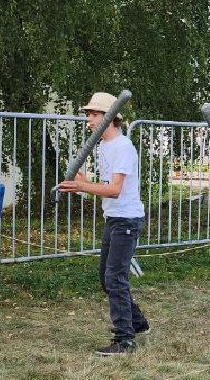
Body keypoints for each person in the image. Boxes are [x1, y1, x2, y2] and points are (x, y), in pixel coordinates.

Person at [57, 92, 148, 356]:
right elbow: (103, 187)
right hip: (114, 218)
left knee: (115, 278)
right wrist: (82, 182)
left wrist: (82, 186)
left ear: (110, 117)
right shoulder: (104, 147)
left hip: (127, 219)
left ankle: (124, 340)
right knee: (106, 278)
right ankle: (138, 323)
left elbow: (115, 190)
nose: (89, 119)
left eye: (95, 114)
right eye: (89, 114)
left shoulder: (122, 147)